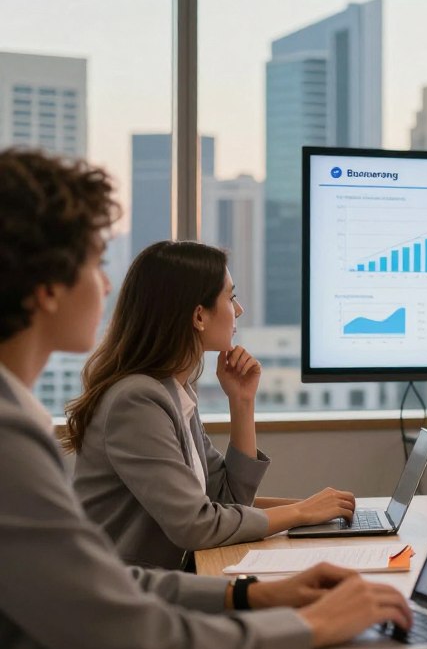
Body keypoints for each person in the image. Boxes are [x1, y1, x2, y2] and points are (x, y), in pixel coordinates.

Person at [0, 147, 411, 649]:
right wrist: (311, 625)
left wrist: (253, 597)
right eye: (96, 264)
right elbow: (155, 613)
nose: (105, 285)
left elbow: (119, 572)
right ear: (48, 288)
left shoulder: (167, 391)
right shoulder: (28, 435)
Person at [67, 240, 357, 570]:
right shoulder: (137, 401)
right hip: (123, 601)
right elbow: (197, 525)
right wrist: (301, 512)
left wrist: (242, 401)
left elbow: (228, 500)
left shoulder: (172, 391)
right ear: (199, 315)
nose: (239, 310)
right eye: (231, 297)